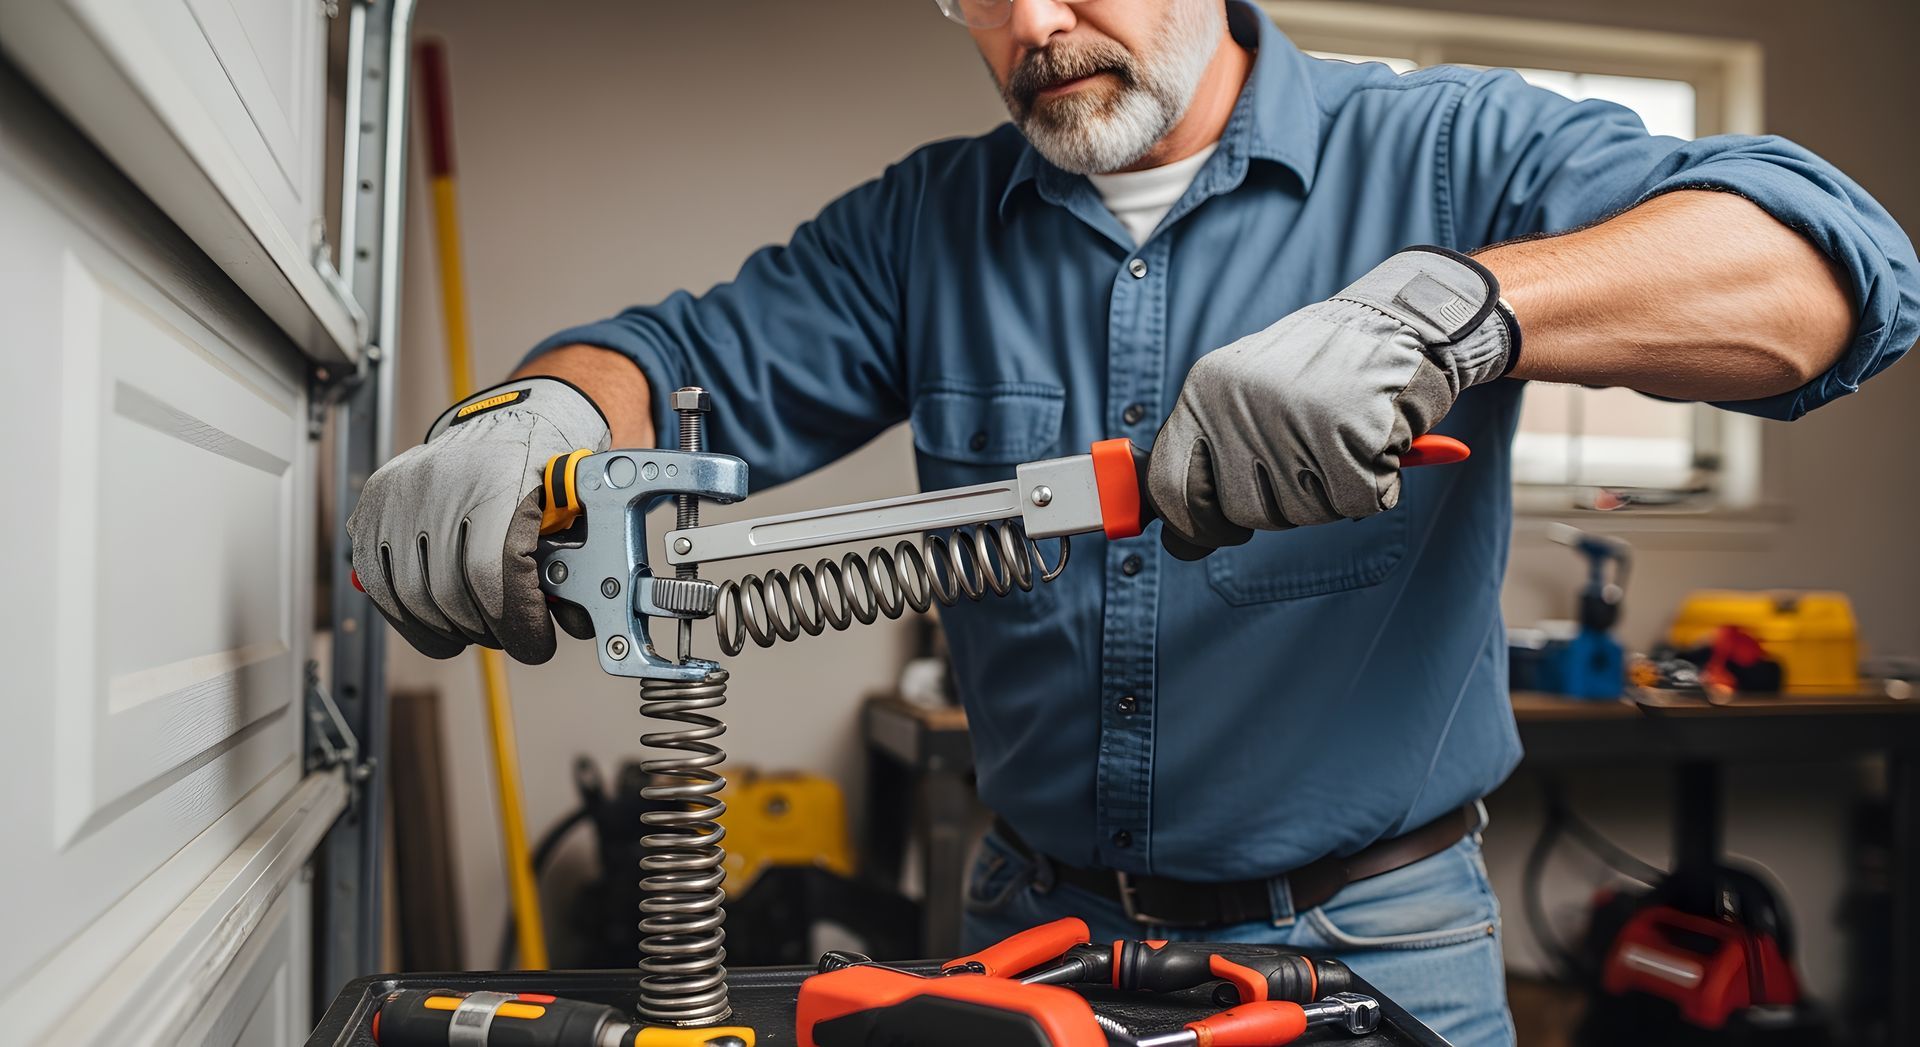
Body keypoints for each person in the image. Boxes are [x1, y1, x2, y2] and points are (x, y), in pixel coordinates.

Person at [347, 1, 1917, 1041]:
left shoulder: (1449, 153)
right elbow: (675, 367)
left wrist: (1462, 312)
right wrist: (536, 419)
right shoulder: (924, 226)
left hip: (1375, 944)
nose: (1034, 26)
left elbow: (1831, 277)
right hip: (1023, 938)